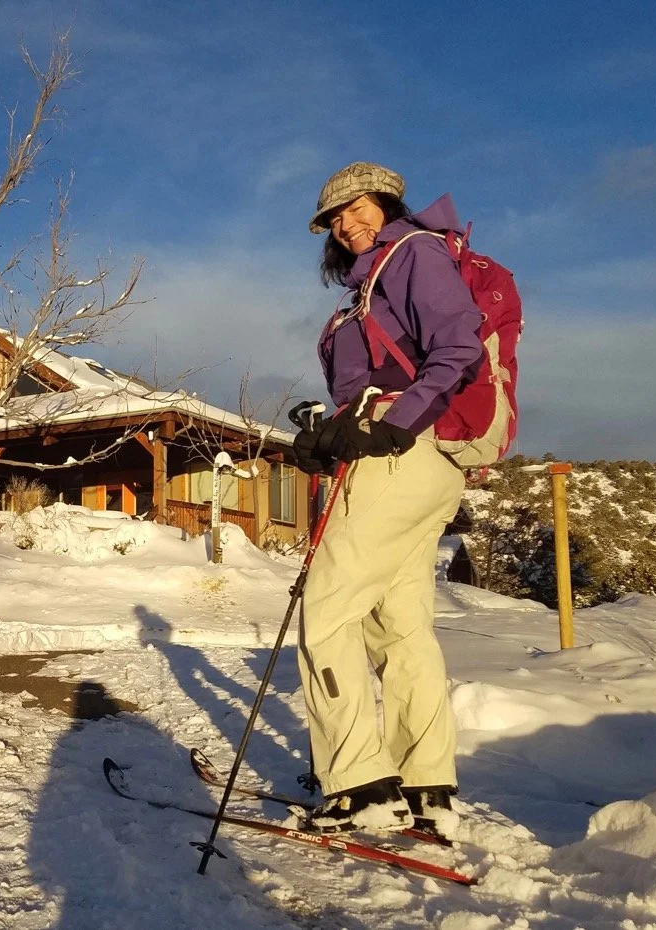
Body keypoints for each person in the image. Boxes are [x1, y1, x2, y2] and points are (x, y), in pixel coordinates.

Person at [291, 162, 483, 837]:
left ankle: (359, 786)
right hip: (417, 464)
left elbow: (458, 348)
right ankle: (426, 784)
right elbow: (367, 385)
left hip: (400, 456)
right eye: (334, 219)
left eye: (358, 207)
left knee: (327, 613)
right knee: (400, 625)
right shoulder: (368, 286)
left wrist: (393, 424)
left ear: (388, 204)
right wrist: (330, 437)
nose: (346, 224)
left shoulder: (411, 254)